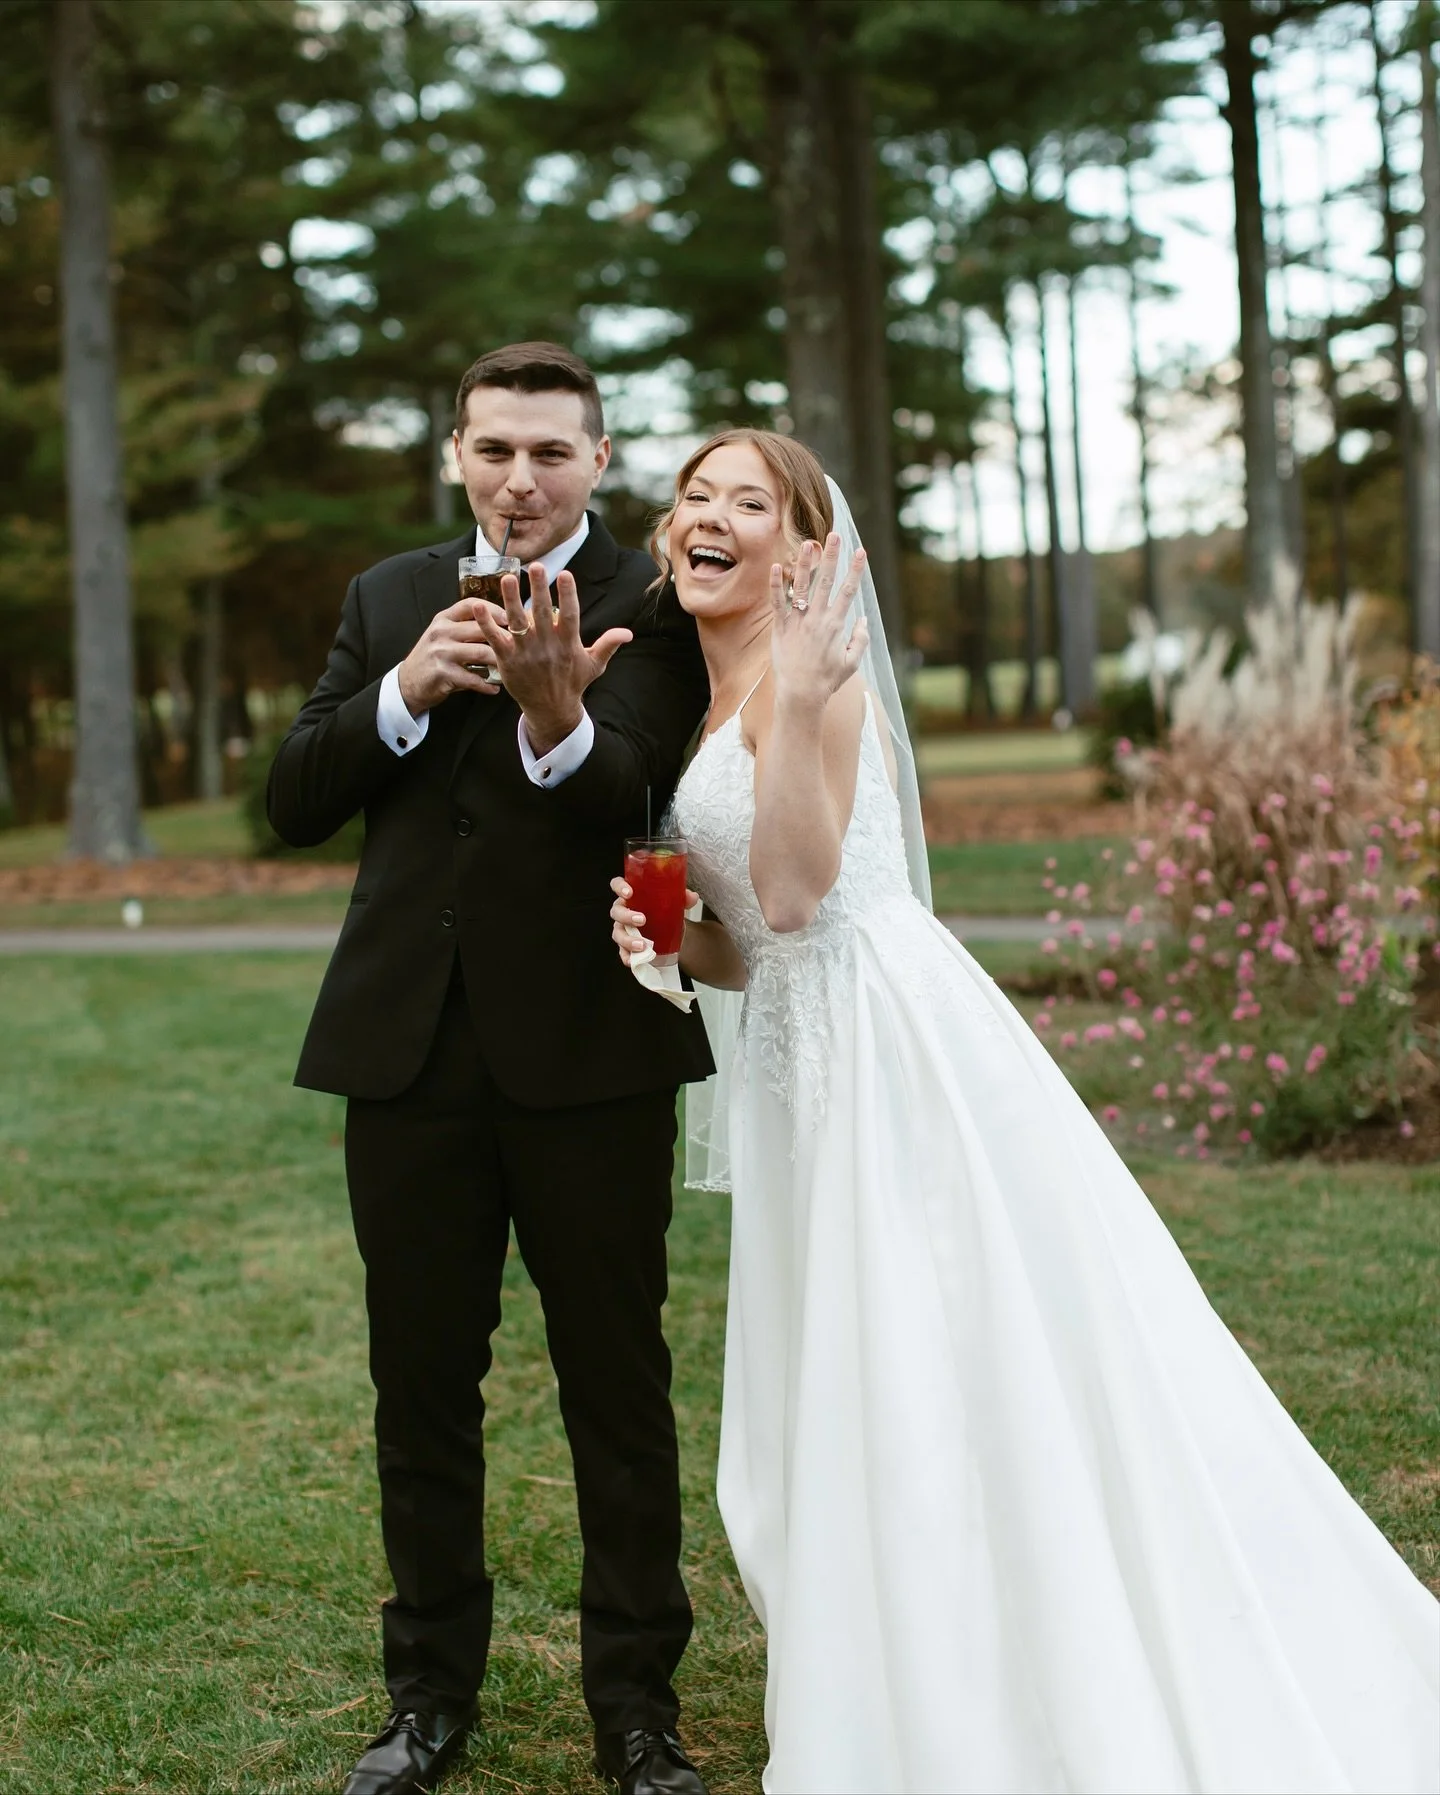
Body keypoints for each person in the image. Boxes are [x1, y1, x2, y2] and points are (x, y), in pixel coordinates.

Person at [609, 428, 1440, 1795]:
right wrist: (665, 942)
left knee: (929, 1353)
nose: (711, 516)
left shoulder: (802, 684)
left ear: (803, 552)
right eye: (696, 496)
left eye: (748, 503)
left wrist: (812, 704)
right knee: (851, 1360)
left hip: (885, 1052)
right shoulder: (710, 699)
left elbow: (805, 890)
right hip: (802, 1058)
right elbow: (751, 940)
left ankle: (974, 1678)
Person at [268, 342, 714, 1795]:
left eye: (551, 451)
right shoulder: (389, 596)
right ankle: (426, 1698)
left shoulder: (657, 599)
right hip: (406, 1058)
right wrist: (401, 690)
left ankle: (637, 1707)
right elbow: (292, 796)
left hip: (594, 1052)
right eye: (494, 449)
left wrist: (550, 713)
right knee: (422, 1386)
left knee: (617, 1387)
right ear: (458, 453)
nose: (521, 478)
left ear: (600, 458)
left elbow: (643, 794)